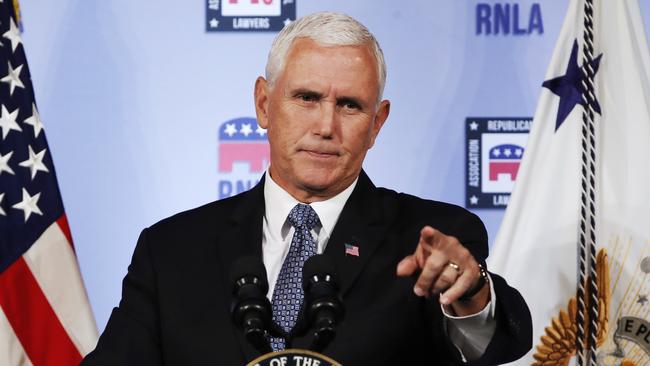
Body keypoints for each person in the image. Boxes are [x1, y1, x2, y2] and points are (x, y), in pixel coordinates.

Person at [82, 12, 532, 365]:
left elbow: (492, 344)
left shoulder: (430, 238)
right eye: (306, 98)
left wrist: (469, 294)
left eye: (350, 106)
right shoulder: (172, 250)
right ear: (263, 103)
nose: (325, 126)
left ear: (377, 123)